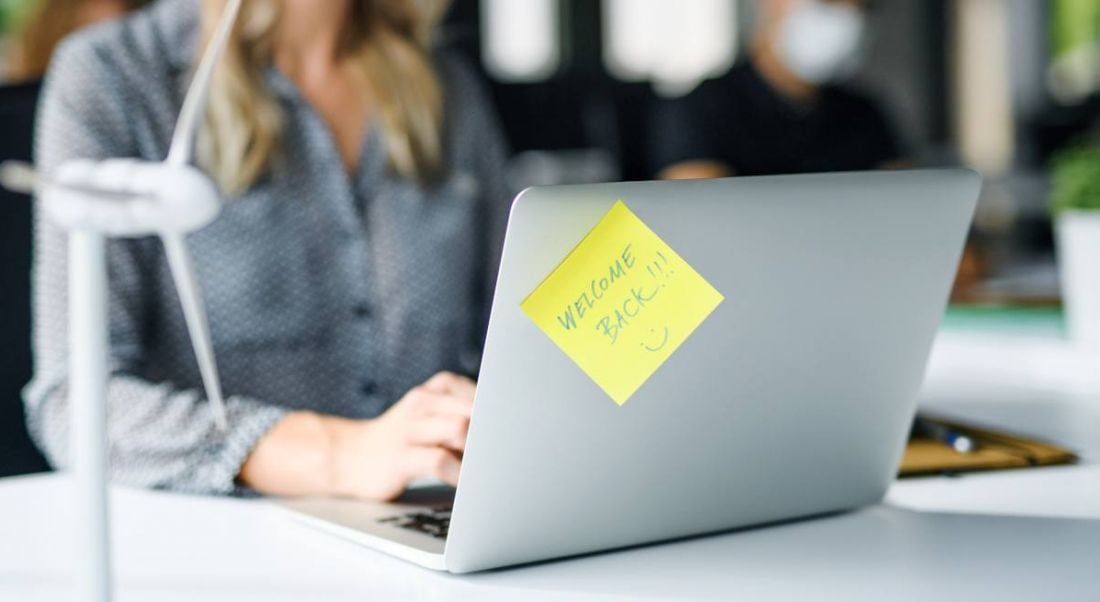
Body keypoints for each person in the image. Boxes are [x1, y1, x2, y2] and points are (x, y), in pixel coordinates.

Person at [24, 0, 512, 502]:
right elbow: (75, 404)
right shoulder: (115, 75)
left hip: (437, 524)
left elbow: (515, 343)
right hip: (222, 544)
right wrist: (339, 455)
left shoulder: (444, 85)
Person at [651, 0, 902, 180]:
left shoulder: (866, 114)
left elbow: (906, 208)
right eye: (828, 3)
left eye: (860, 9)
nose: (846, 21)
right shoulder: (701, 108)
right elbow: (696, 221)